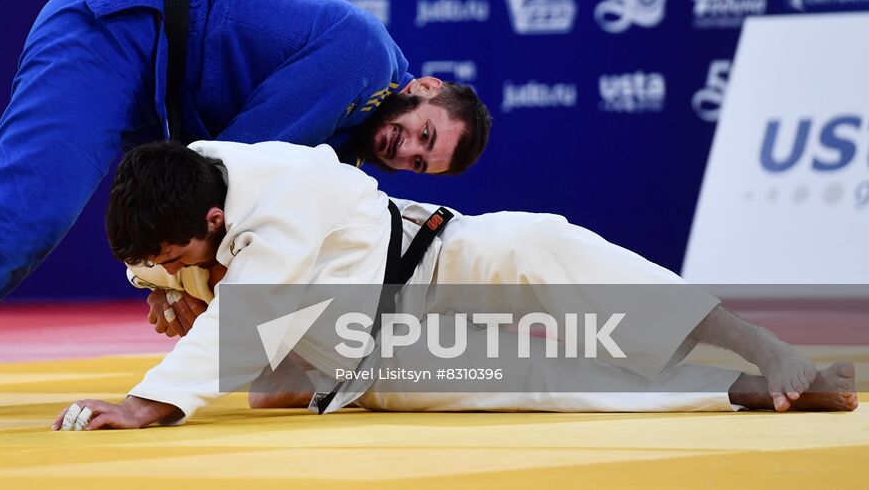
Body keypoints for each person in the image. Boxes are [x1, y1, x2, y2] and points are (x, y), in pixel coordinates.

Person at [0, 0, 493, 432]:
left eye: (419, 162)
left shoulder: (352, 137)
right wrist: (176, 281)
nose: (405, 150)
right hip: (115, 33)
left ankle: (288, 370)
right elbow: (222, 171)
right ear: (425, 86)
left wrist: (178, 282)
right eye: (422, 132)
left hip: (160, 84)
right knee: (29, 211)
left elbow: (237, 212)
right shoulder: (367, 59)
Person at [51, 140, 857, 430]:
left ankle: (757, 341)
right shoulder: (169, 194)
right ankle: (731, 393)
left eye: (179, 250)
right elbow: (153, 266)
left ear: (219, 214)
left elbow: (248, 310)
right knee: (536, 379)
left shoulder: (282, 187)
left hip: (430, 253)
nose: (164, 260)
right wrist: (169, 285)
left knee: (545, 242)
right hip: (372, 352)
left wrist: (146, 400)